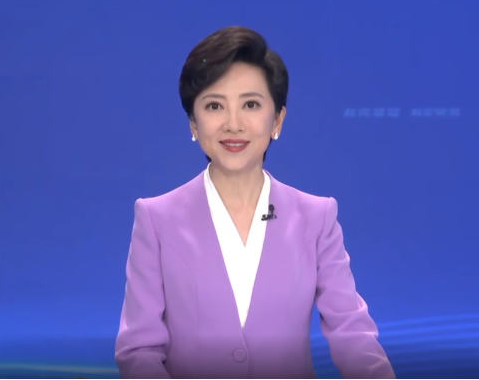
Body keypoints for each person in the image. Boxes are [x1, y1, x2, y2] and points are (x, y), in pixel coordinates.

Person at [115, 26, 395, 379]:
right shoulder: (156, 219)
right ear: (193, 124)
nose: (233, 124)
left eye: (250, 104)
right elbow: (139, 349)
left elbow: (352, 334)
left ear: (277, 119)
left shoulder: (317, 218)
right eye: (214, 105)